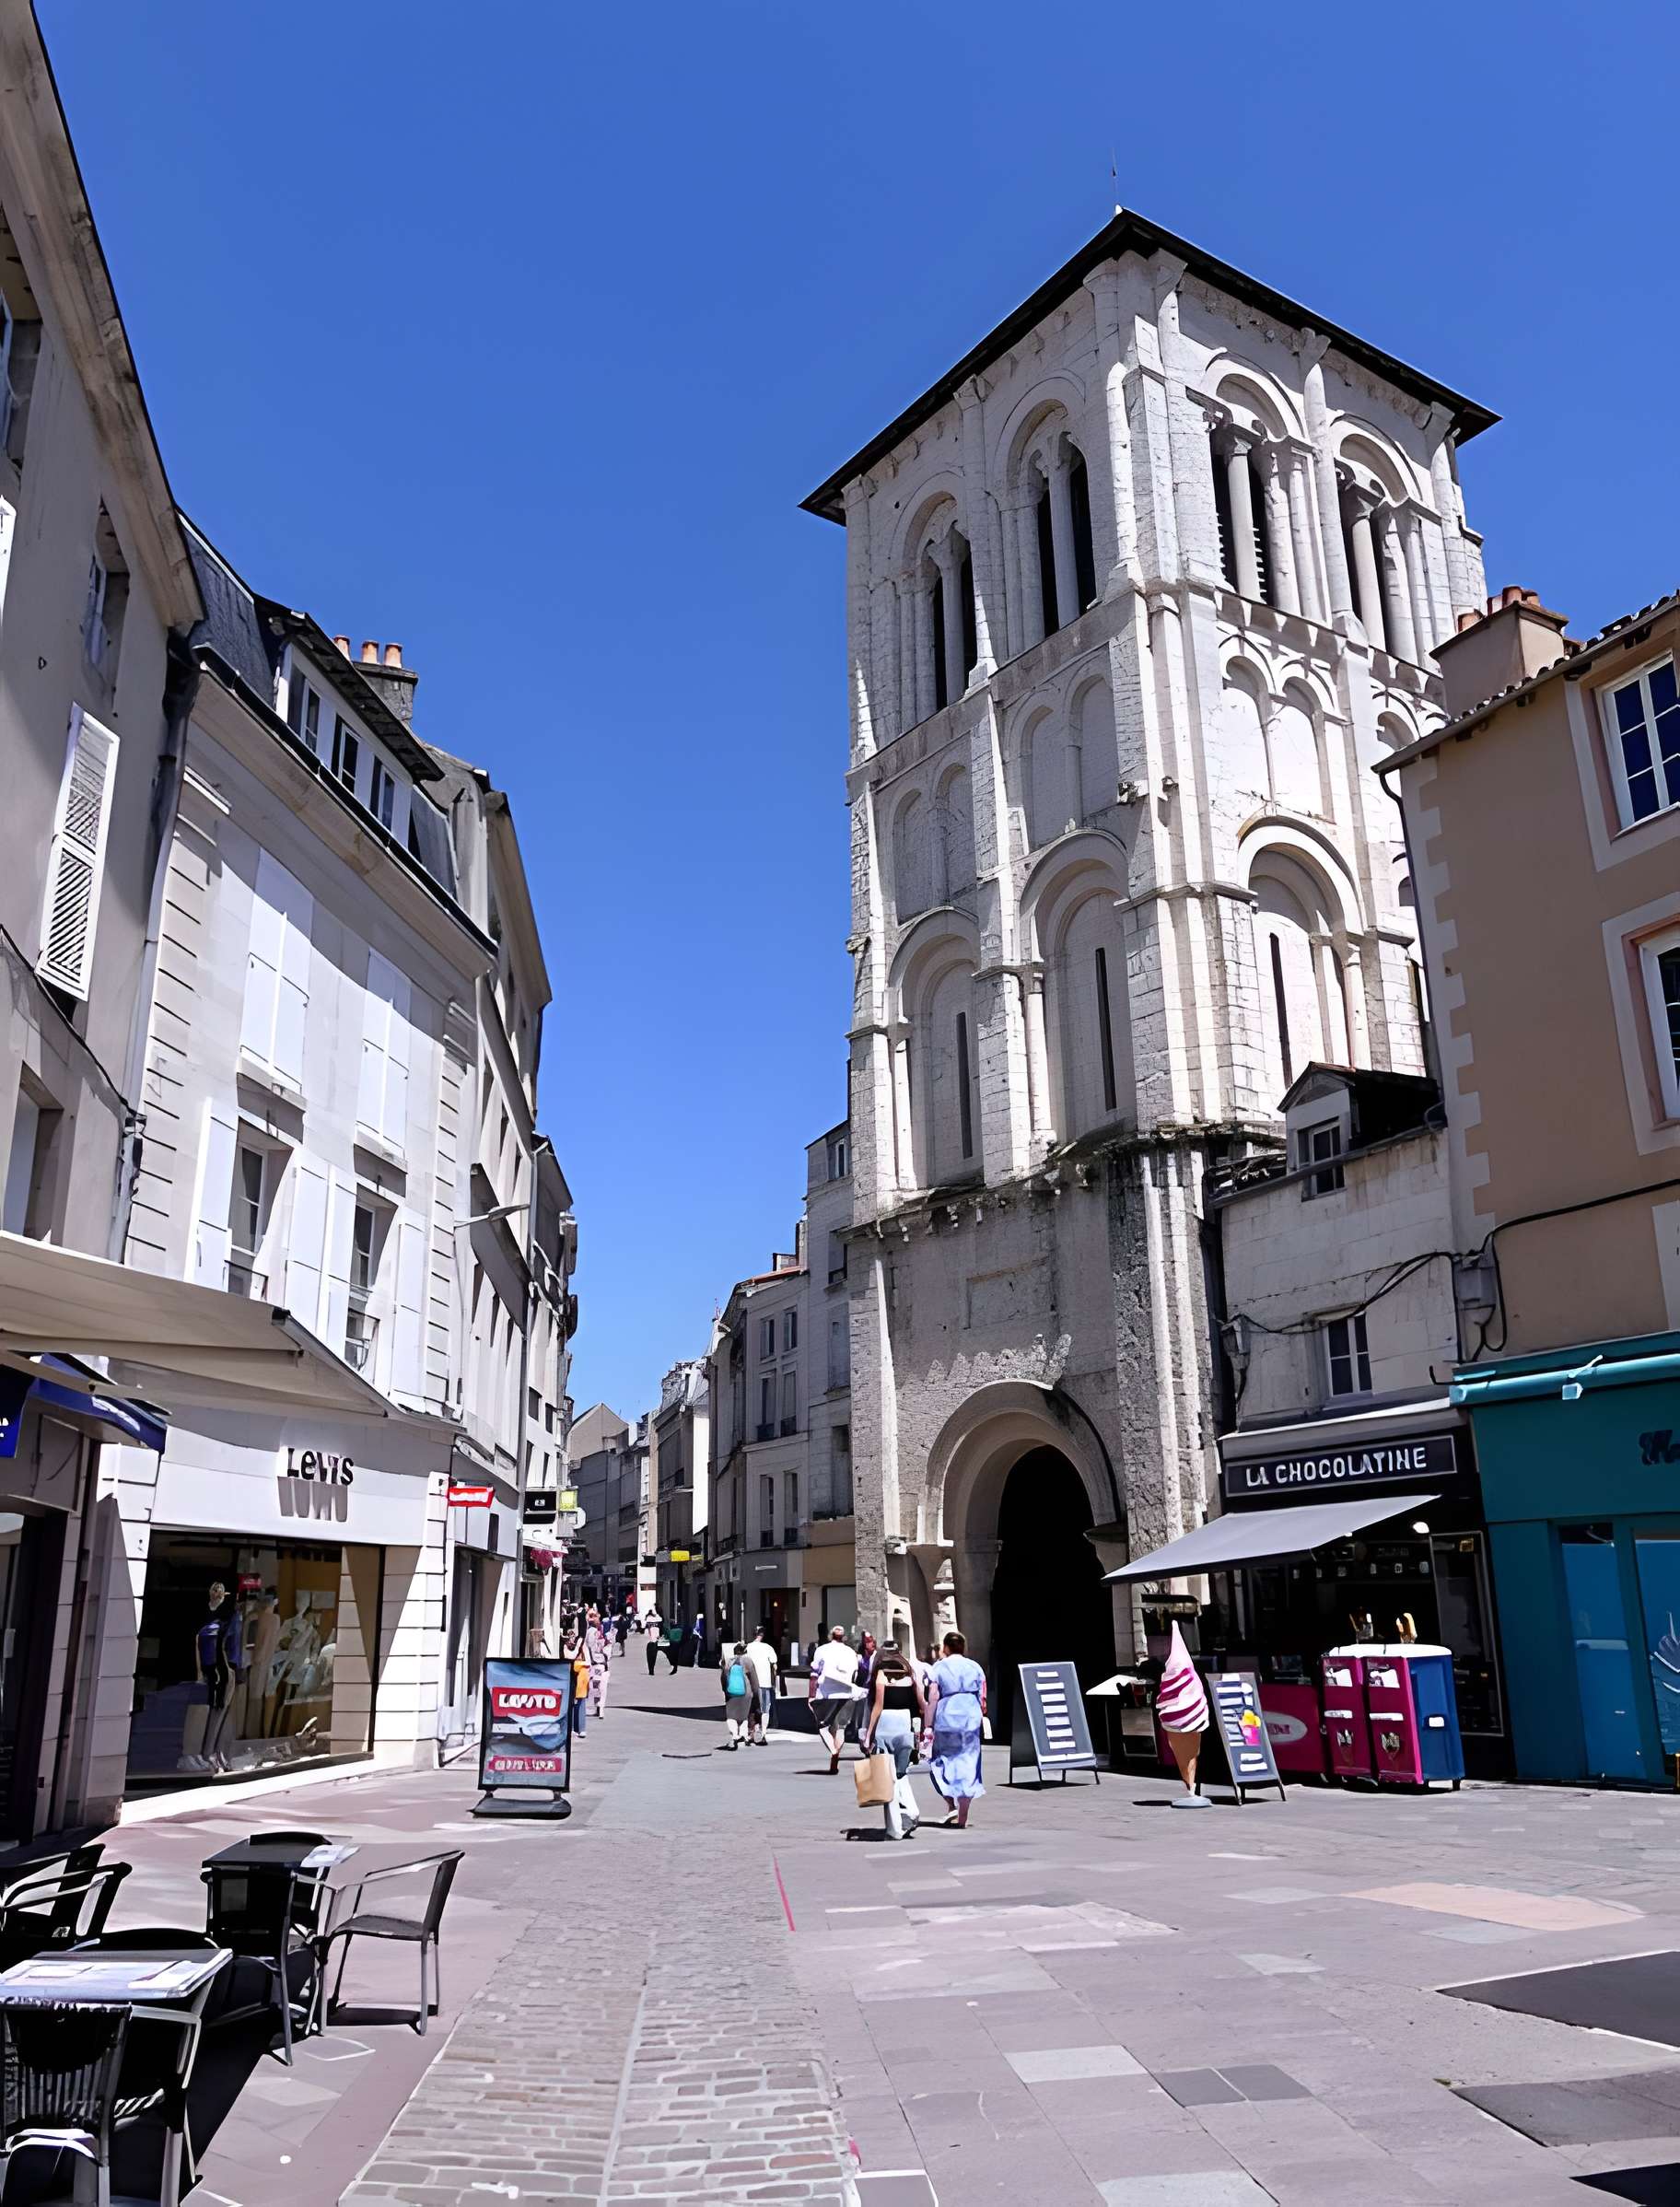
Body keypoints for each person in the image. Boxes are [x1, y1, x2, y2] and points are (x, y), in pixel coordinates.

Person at [861, 1641, 926, 1840]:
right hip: (905, 1724)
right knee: (901, 1773)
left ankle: (894, 1827)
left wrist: (868, 1734)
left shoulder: (881, 1675)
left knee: (886, 1777)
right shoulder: (910, 1674)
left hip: (886, 1725)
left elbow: (878, 1706)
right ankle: (911, 1811)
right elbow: (920, 1704)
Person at [923, 1630, 987, 1829]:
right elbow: (983, 1698)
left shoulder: (939, 1667)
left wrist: (928, 1724)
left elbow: (933, 1696)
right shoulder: (975, 1667)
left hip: (948, 1714)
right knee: (969, 1760)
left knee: (942, 1759)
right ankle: (963, 1814)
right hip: (970, 1715)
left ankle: (951, 1804)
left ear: (946, 1647)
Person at [808, 1626, 862, 1774]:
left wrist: (811, 1695)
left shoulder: (822, 1650)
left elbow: (814, 1674)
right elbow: (855, 1675)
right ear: (844, 1637)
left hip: (827, 1693)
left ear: (831, 1635)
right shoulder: (851, 1652)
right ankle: (836, 1753)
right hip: (846, 1692)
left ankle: (833, 1750)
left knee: (823, 1726)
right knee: (841, 1728)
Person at [740, 1627, 779, 1744]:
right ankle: (763, 1734)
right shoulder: (768, 1648)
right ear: (762, 1635)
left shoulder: (748, 1648)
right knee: (765, 1709)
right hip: (764, 1683)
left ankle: (750, 1734)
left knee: (750, 1709)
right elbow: (774, 1663)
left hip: (750, 1683)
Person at [719, 1642, 752, 1749]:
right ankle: (744, 1736)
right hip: (746, 1692)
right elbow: (754, 1678)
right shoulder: (747, 1661)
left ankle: (734, 1736)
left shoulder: (729, 1662)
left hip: (731, 1692)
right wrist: (755, 1692)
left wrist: (725, 1690)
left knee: (731, 1715)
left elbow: (723, 1677)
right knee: (744, 1715)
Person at [563, 1625, 589, 1737]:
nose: (571, 1639)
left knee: (580, 1702)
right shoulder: (565, 1647)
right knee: (571, 1703)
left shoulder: (582, 1646)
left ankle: (581, 1728)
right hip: (570, 1676)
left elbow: (587, 1661)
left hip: (581, 1677)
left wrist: (578, 1663)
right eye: (569, 1636)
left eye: (573, 1636)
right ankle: (572, 1728)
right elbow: (568, 1655)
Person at [585, 1612, 611, 1721]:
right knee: (601, 1686)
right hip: (598, 1662)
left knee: (596, 1685)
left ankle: (598, 1707)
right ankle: (600, 1707)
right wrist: (593, 1660)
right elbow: (591, 1647)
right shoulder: (593, 1632)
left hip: (598, 1662)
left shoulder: (594, 1631)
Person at [643, 1606, 664, 1676]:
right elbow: (661, 1632)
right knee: (654, 1656)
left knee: (649, 1657)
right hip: (656, 1641)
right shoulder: (659, 1621)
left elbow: (645, 1632)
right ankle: (652, 1670)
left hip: (650, 1642)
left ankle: (650, 1670)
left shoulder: (648, 1620)